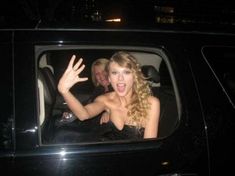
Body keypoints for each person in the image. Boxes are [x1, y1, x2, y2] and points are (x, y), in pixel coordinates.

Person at [58, 51, 160, 139]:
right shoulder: (105, 100)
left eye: (126, 72)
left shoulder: (150, 103)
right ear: (110, 78)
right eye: (115, 73)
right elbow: (84, 114)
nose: (120, 78)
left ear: (134, 77)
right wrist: (64, 91)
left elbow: (149, 145)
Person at [58, 58, 112, 125]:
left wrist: (111, 113)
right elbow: (87, 108)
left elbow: (124, 106)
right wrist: (72, 112)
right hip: (91, 125)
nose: (101, 76)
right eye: (97, 74)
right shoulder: (99, 90)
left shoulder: (119, 91)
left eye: (104, 71)